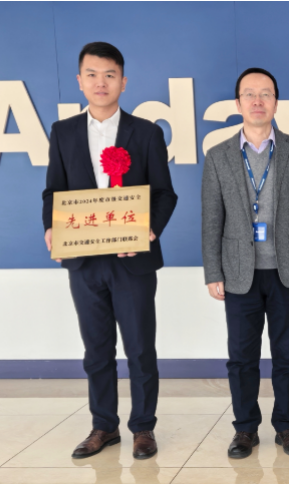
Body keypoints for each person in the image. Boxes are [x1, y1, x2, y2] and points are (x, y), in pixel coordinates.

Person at [42, 42, 177, 460]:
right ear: (80, 81)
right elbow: (53, 191)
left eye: (109, 75)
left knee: (140, 349)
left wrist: (149, 229)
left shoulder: (147, 132)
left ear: (123, 81)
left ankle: (143, 428)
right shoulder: (63, 132)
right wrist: (51, 227)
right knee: (96, 350)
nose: (101, 83)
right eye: (92, 74)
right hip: (84, 261)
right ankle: (104, 426)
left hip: (133, 262)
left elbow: (165, 194)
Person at [201, 67, 289, 459]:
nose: (258, 101)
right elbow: (211, 219)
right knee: (242, 357)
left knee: (287, 354)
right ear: (237, 103)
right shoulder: (218, 156)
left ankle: (287, 426)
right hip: (239, 272)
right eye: (250, 94)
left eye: (266, 94)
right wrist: (213, 271)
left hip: (288, 270)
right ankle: (245, 429)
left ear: (276, 102)